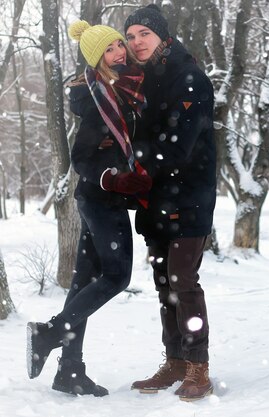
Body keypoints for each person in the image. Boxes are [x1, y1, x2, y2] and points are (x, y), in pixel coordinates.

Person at [26, 21, 151, 396]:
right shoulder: (99, 102)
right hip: (101, 200)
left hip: (102, 200)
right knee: (117, 278)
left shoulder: (123, 89)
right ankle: (47, 334)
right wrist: (112, 179)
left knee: (83, 283)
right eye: (110, 49)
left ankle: (70, 370)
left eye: (119, 44)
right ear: (97, 60)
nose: (120, 51)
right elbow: (82, 158)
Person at [123, 4, 217, 402]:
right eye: (130, 36)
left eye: (144, 33)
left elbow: (177, 147)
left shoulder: (190, 77)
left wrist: (135, 164)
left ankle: (199, 365)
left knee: (183, 281)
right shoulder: (140, 80)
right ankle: (176, 361)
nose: (136, 42)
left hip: (189, 197)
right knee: (165, 286)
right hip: (155, 199)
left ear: (163, 36)